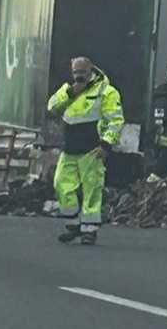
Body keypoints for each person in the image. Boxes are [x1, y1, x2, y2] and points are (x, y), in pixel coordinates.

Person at [47, 57, 124, 245]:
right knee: (61, 184)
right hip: (70, 148)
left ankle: (89, 230)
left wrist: (106, 144)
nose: (78, 76)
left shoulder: (106, 91)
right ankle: (74, 223)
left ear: (91, 70)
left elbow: (115, 119)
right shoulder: (68, 90)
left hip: (92, 148)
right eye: (75, 72)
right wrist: (71, 92)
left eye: (82, 72)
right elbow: (52, 107)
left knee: (92, 189)